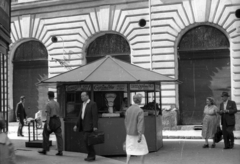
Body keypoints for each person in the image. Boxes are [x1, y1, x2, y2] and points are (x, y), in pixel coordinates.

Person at [73, 92, 98, 162]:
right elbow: (80, 115)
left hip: (89, 126)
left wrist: (95, 126)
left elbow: (95, 116)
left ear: (87, 96)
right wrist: (76, 125)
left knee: (88, 141)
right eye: (81, 96)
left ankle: (92, 155)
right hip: (83, 125)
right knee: (86, 141)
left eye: (83, 96)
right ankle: (90, 155)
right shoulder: (83, 104)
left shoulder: (92, 104)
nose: (82, 98)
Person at [125, 94, 148, 164]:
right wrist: (140, 134)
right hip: (137, 133)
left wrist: (128, 130)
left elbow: (126, 121)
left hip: (129, 133)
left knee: (129, 149)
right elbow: (140, 123)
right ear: (140, 100)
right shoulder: (140, 110)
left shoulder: (128, 109)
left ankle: (127, 162)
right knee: (143, 149)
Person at [38, 91, 63, 156]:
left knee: (45, 133)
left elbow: (48, 115)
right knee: (59, 136)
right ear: (54, 96)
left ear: (48, 96)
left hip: (51, 120)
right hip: (57, 120)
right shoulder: (57, 103)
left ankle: (45, 149)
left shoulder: (48, 104)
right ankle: (60, 151)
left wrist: (48, 124)